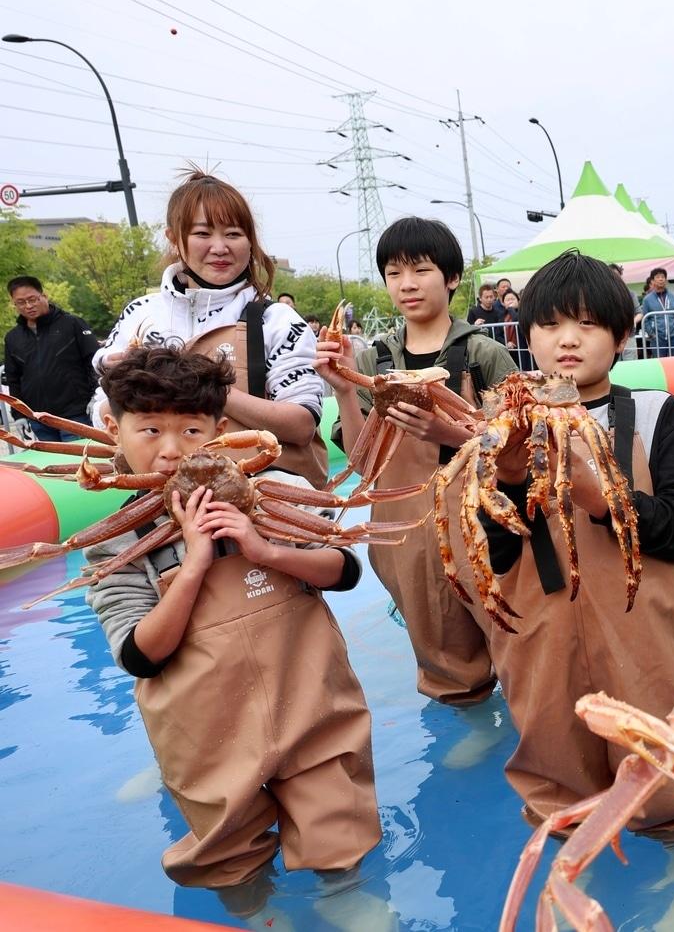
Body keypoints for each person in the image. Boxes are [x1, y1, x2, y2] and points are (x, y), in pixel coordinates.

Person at [86, 346, 379, 891]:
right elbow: (139, 655)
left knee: (338, 830)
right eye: (150, 431)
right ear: (112, 428)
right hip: (206, 733)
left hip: (309, 703)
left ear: (222, 430)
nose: (172, 451)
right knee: (231, 860)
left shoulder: (271, 492)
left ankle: (349, 898)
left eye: (192, 431)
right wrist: (195, 563)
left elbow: (343, 570)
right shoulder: (116, 542)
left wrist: (266, 550)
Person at [481, 250, 674, 831]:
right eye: (551, 324)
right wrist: (508, 480)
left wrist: (599, 496)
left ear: (621, 336)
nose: (568, 340)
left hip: (652, 642)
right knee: (557, 801)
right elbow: (495, 555)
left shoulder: (659, 413)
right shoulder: (502, 429)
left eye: (587, 324)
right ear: (525, 335)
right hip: (545, 644)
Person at [319, 217, 517, 705]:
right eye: (393, 273)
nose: (406, 284)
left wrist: (447, 432)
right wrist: (344, 388)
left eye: (421, 270)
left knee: (516, 628)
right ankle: (466, 709)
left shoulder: (482, 354)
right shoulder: (373, 361)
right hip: (406, 529)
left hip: (482, 520)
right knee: (440, 645)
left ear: (451, 278)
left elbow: (518, 444)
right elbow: (364, 464)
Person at [90, 169, 329, 487]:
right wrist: (125, 382)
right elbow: (100, 414)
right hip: (160, 497)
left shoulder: (278, 321)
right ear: (174, 239)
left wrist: (202, 383)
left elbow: (301, 426)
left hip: (260, 498)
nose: (220, 247)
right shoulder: (141, 315)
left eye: (233, 234)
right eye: (202, 234)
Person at [4, 275, 99, 441]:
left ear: (44, 296)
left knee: (79, 464)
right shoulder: (12, 338)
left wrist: (96, 396)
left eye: (32, 299)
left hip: (76, 415)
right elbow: (13, 379)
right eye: (21, 302)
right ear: (14, 304)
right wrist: (18, 414)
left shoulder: (72, 324)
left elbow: (95, 362)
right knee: (51, 465)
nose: (28, 306)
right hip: (39, 419)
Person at [640, 267, 674, 358]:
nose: (661, 279)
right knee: (660, 363)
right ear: (652, 281)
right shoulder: (647, 299)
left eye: (663, 277)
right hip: (657, 338)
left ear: (666, 280)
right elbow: (645, 319)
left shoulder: (673, 297)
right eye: (658, 277)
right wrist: (652, 334)